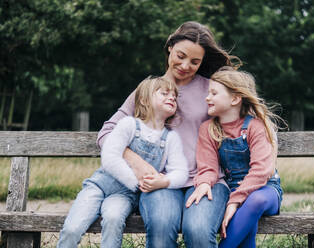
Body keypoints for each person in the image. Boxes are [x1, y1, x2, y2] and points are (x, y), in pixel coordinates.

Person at [97, 21, 240, 247]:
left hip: (205, 179)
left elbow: (239, 124)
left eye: (195, 62)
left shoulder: (211, 89)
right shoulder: (147, 90)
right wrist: (135, 162)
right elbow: (106, 132)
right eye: (181, 55)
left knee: (199, 231)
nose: (185, 65)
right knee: (162, 228)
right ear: (170, 47)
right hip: (160, 180)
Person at [57, 77, 188, 248]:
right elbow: (110, 157)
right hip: (99, 186)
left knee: (113, 220)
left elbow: (181, 172)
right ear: (144, 99)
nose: (171, 97)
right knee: (72, 228)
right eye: (164, 93)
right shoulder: (129, 125)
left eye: (174, 96)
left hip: (125, 195)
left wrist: (163, 181)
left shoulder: (171, 138)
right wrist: (136, 181)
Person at [193, 67, 283, 248]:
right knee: (247, 227)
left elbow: (261, 171)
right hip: (232, 190)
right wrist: (204, 182)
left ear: (234, 99)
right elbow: (208, 168)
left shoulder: (255, 127)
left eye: (214, 93)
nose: (207, 98)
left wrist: (234, 202)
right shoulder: (208, 129)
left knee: (254, 201)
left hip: (266, 190)